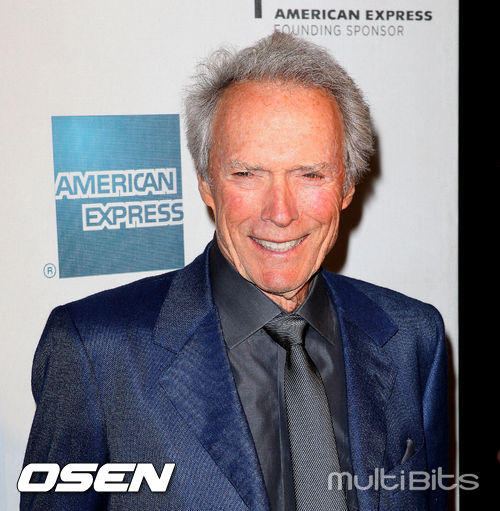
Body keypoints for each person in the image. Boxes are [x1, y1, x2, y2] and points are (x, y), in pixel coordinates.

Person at [21, 31, 448, 511]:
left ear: (347, 186)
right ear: (206, 183)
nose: (280, 213)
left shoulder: (412, 337)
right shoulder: (96, 351)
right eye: (247, 174)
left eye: (311, 174)